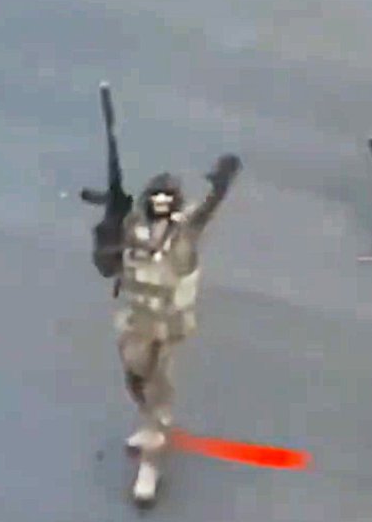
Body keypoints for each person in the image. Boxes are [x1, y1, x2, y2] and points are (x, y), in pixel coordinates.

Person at [102, 154, 241, 505]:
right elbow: (107, 262)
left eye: (168, 198)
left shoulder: (185, 231)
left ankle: (150, 465)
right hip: (135, 323)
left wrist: (219, 187)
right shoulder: (133, 228)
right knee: (135, 382)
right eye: (156, 198)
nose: (161, 204)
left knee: (157, 395)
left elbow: (205, 211)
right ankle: (150, 423)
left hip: (165, 329)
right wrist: (108, 228)